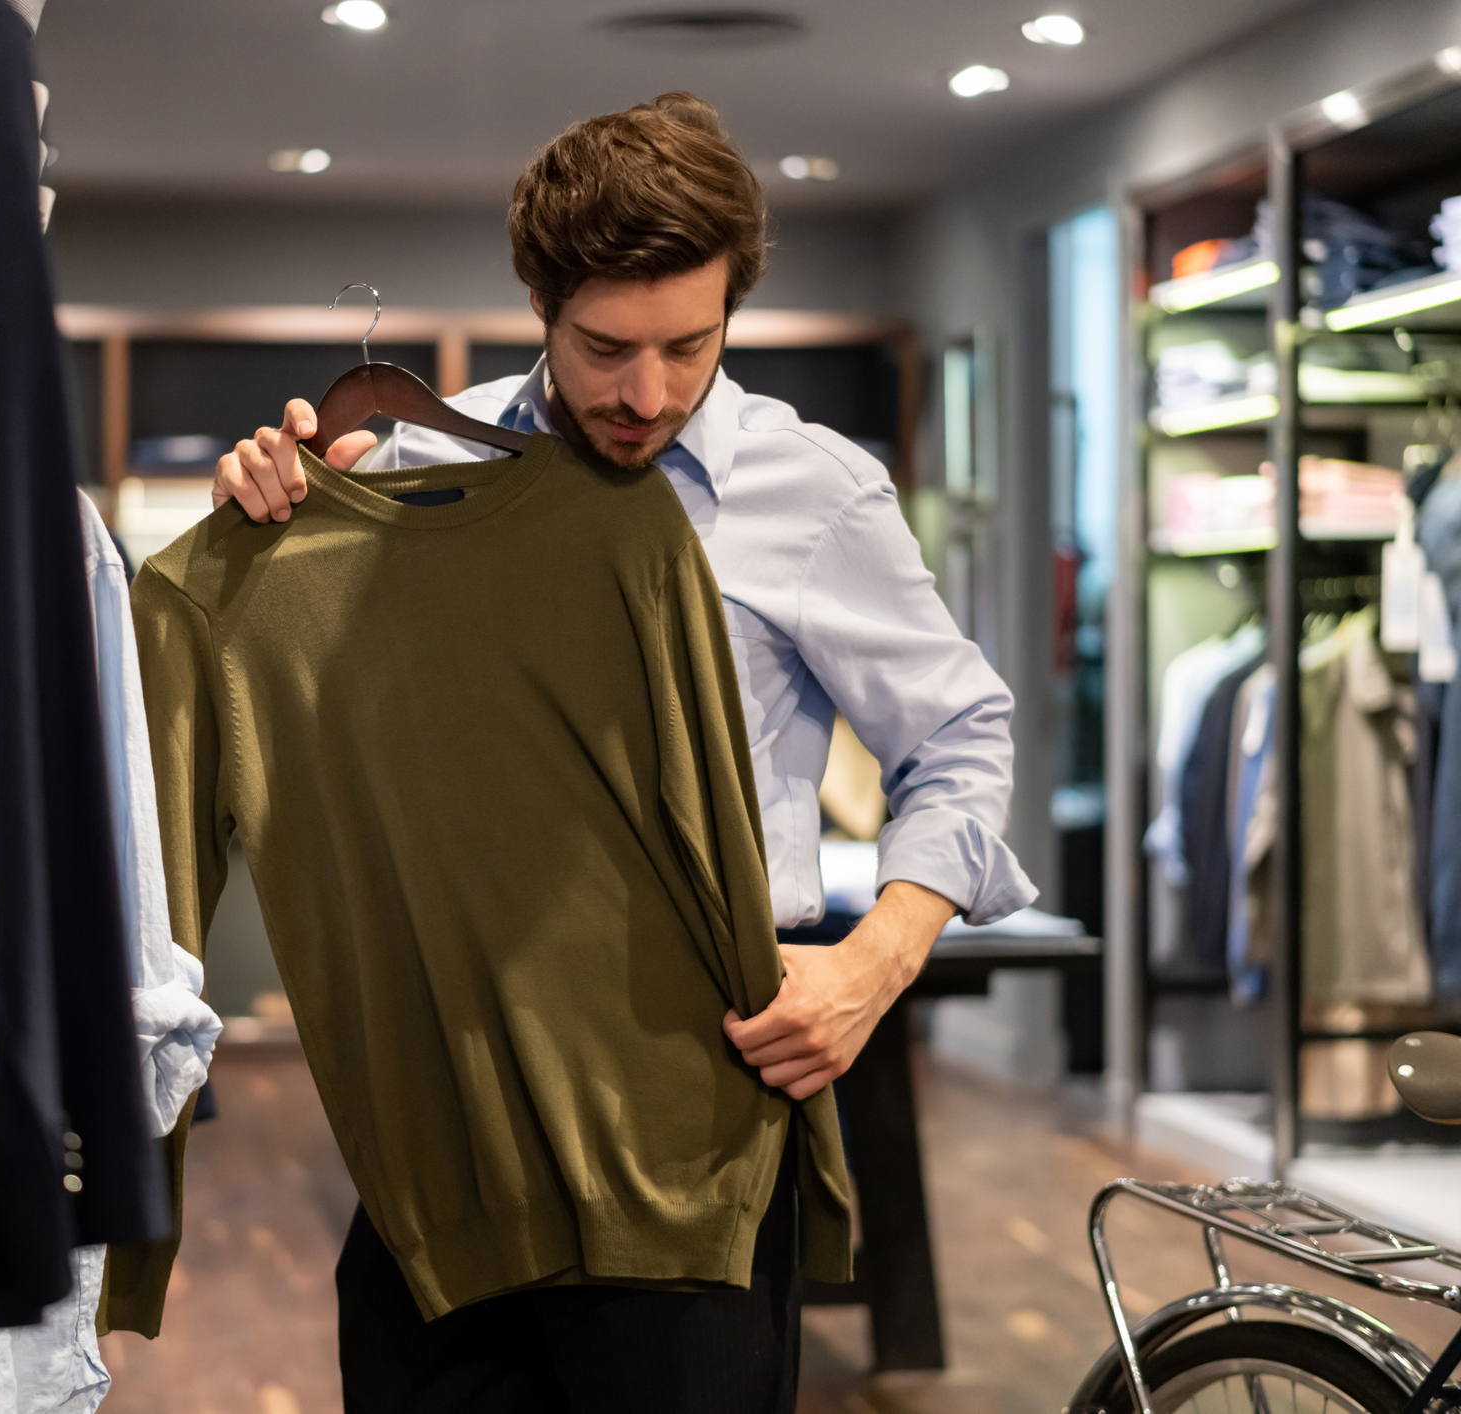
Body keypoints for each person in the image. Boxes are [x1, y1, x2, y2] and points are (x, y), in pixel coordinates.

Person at [209, 92, 1035, 1409]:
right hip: (449, 1099)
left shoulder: (814, 492)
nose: (644, 393)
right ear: (539, 302)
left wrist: (871, 966)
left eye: (687, 345)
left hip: (689, 1107)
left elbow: (961, 735)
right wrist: (275, 529)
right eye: (603, 347)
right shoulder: (421, 461)